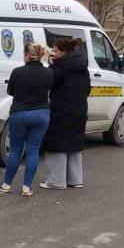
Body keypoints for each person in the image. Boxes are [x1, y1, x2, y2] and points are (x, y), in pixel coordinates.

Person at [0, 43, 53, 196]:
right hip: (41, 113)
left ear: (27, 55)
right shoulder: (49, 73)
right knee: (33, 150)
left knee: (15, 150)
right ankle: (26, 187)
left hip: (20, 113)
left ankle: (6, 184)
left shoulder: (18, 72)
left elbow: (11, 91)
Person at [41, 38, 91, 190]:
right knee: (74, 143)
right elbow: (88, 88)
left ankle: (56, 181)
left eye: (56, 50)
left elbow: (49, 82)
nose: (53, 53)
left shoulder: (60, 67)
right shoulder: (82, 67)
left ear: (65, 52)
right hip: (79, 108)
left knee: (57, 143)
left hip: (61, 109)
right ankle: (75, 180)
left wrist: (50, 64)